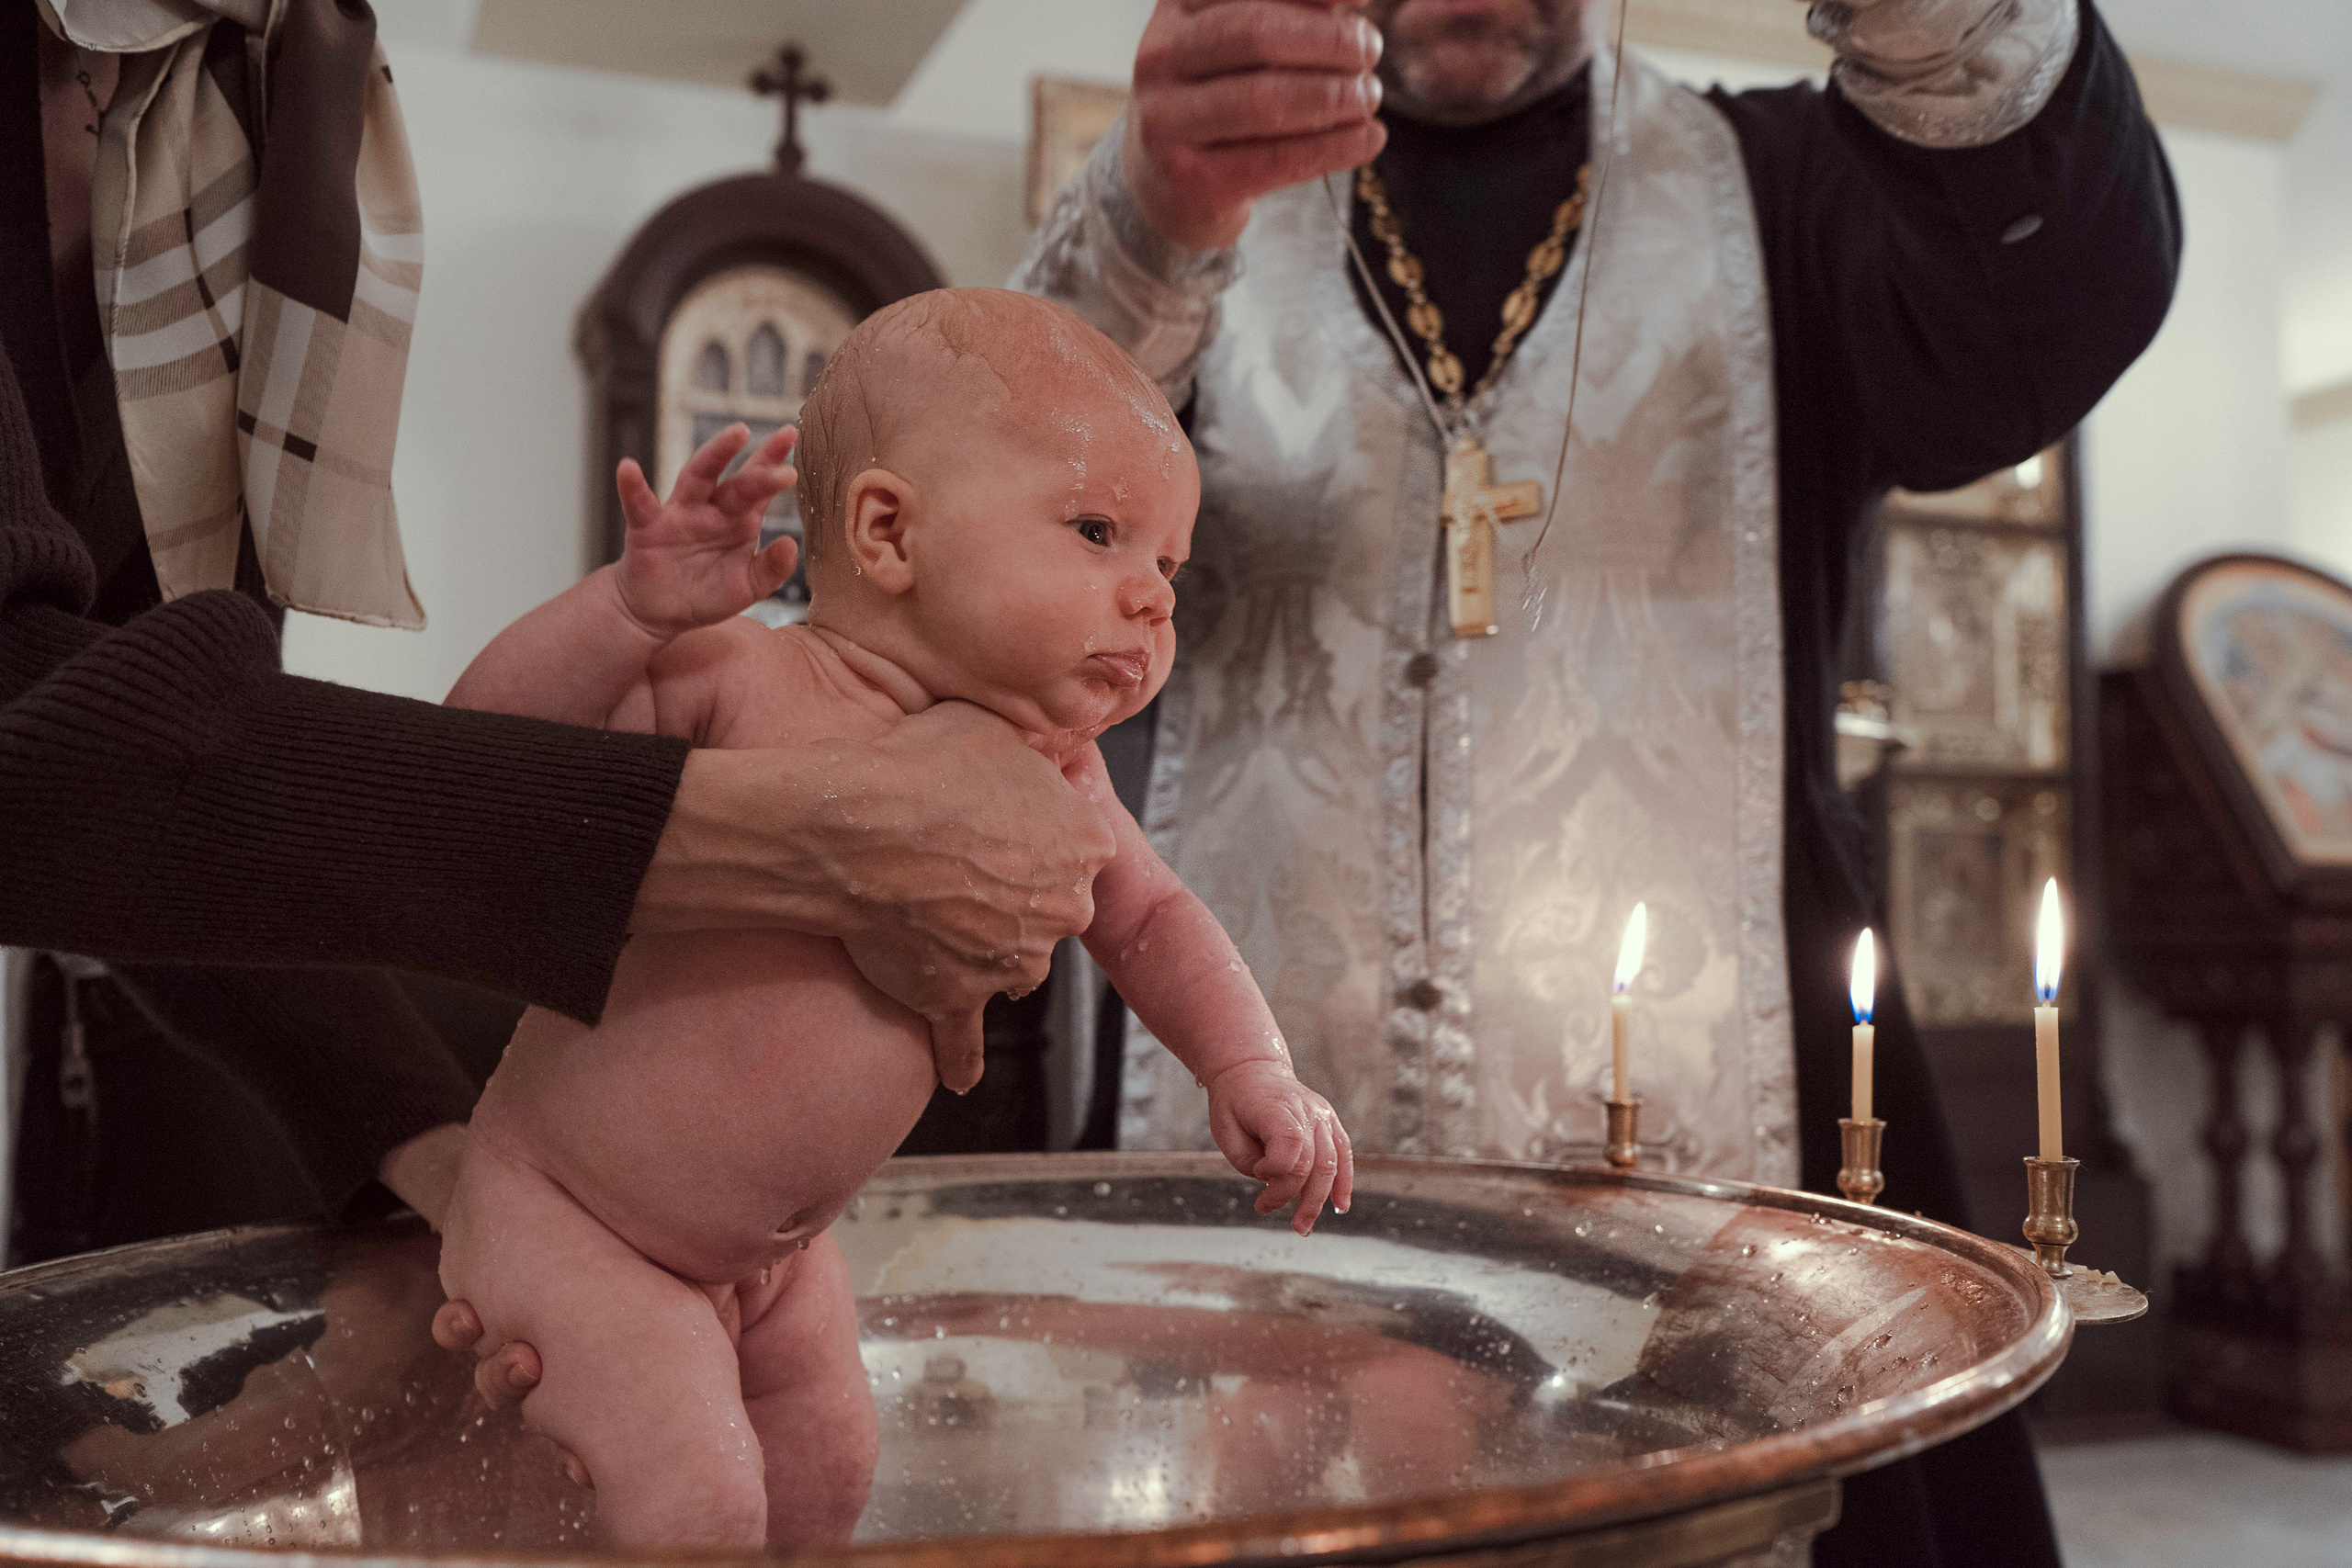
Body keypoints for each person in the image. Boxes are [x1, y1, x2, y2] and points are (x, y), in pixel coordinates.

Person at [1013, 0, 2178, 1562]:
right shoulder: (1202, 200)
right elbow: (990, 517)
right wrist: (1149, 223)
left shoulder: (1786, 183)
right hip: (1234, 1129)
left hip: (1726, 1146)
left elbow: (2053, 299)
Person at [1, 0, 1108, 1265]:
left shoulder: (219, 109)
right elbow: (79, 745)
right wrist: (812, 836)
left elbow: (145, 747)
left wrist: (425, 1150)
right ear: (886, 525)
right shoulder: (736, 672)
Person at [432, 288, 1353, 1550]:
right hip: (583, 1217)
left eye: (1169, 565)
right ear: (886, 532)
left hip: (785, 1257)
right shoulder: (742, 676)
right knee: (698, 1502)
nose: (1152, 599)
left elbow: (1152, 920)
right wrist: (626, 613)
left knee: (828, 1478)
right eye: (1098, 531)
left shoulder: (1060, 773)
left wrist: (1253, 1063)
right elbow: (482, 769)